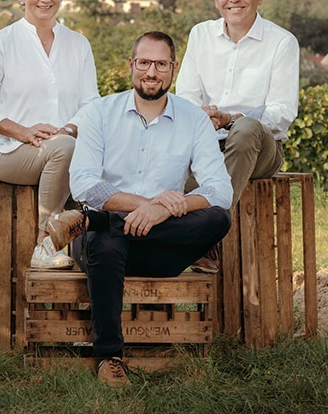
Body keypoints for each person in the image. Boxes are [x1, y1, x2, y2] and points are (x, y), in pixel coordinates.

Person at [47, 31, 232, 387]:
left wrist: (161, 213)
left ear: (173, 69)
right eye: (144, 62)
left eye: (161, 64)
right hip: (110, 249)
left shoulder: (193, 119)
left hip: (162, 249)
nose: (152, 71)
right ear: (131, 65)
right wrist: (150, 205)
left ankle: (93, 220)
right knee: (104, 241)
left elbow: (219, 189)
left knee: (217, 217)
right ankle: (109, 358)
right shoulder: (100, 112)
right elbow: (84, 182)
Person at [0, 0, 99, 270]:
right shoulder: (1, 42)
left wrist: (66, 129)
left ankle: (99, 261)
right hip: (11, 152)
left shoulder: (79, 45)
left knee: (77, 153)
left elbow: (91, 104)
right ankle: (46, 244)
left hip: (66, 147)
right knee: (66, 151)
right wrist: (23, 131)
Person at [176, 0, 300, 273]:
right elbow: (186, 99)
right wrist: (203, 116)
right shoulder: (200, 35)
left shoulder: (281, 42)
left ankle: (208, 236)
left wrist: (230, 118)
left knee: (245, 129)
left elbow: (283, 112)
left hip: (260, 149)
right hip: (208, 148)